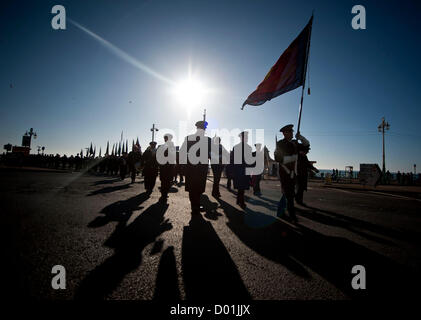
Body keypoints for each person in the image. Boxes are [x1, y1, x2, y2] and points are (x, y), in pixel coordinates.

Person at [274, 124, 309, 223]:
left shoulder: (295, 143)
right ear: (285, 133)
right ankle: (292, 215)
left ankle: (280, 211)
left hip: (294, 172)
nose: (292, 133)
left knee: (288, 193)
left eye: (292, 132)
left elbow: (307, 146)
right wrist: (292, 158)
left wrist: (301, 138)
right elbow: (277, 158)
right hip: (285, 171)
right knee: (289, 194)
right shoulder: (281, 143)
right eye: (290, 132)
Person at [180, 120, 212, 214]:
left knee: (196, 187)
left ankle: (195, 205)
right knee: (195, 187)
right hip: (196, 167)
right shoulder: (207, 140)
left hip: (195, 167)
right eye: (203, 128)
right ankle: (195, 206)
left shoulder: (189, 138)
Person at [232, 131, 252, 209]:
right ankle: (241, 201)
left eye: (247, 137)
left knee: (242, 186)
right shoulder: (236, 147)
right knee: (241, 186)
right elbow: (233, 160)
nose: (246, 138)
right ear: (241, 138)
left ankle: (239, 199)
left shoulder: (249, 148)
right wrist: (233, 171)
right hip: (238, 169)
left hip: (245, 169)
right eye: (244, 137)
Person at [157, 133, 176, 203]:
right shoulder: (161, 147)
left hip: (170, 167)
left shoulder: (172, 147)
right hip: (163, 166)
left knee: (168, 181)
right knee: (163, 181)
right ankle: (163, 194)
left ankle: (165, 192)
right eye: (166, 138)